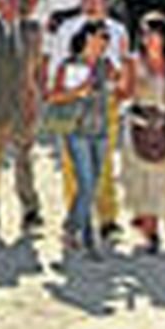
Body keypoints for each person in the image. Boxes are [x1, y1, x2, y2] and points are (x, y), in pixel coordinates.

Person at [47, 22, 115, 257]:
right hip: (77, 131)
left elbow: (122, 86)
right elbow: (54, 97)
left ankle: (83, 237)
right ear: (86, 37)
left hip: (101, 130)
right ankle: (76, 232)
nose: (104, 41)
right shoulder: (70, 64)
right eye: (100, 36)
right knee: (86, 184)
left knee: (92, 186)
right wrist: (78, 91)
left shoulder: (105, 65)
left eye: (106, 38)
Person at [0, 0, 46, 233]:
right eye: (1, 1)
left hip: (24, 104)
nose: (5, 6)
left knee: (24, 160)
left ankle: (30, 210)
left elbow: (37, 68)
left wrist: (37, 98)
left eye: (10, 0)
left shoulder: (32, 30)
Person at [119, 13, 165, 253]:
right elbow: (124, 93)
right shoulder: (134, 61)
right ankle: (150, 230)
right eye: (144, 34)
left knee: (160, 179)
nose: (148, 38)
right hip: (138, 123)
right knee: (140, 179)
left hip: (164, 125)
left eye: (152, 33)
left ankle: (150, 223)